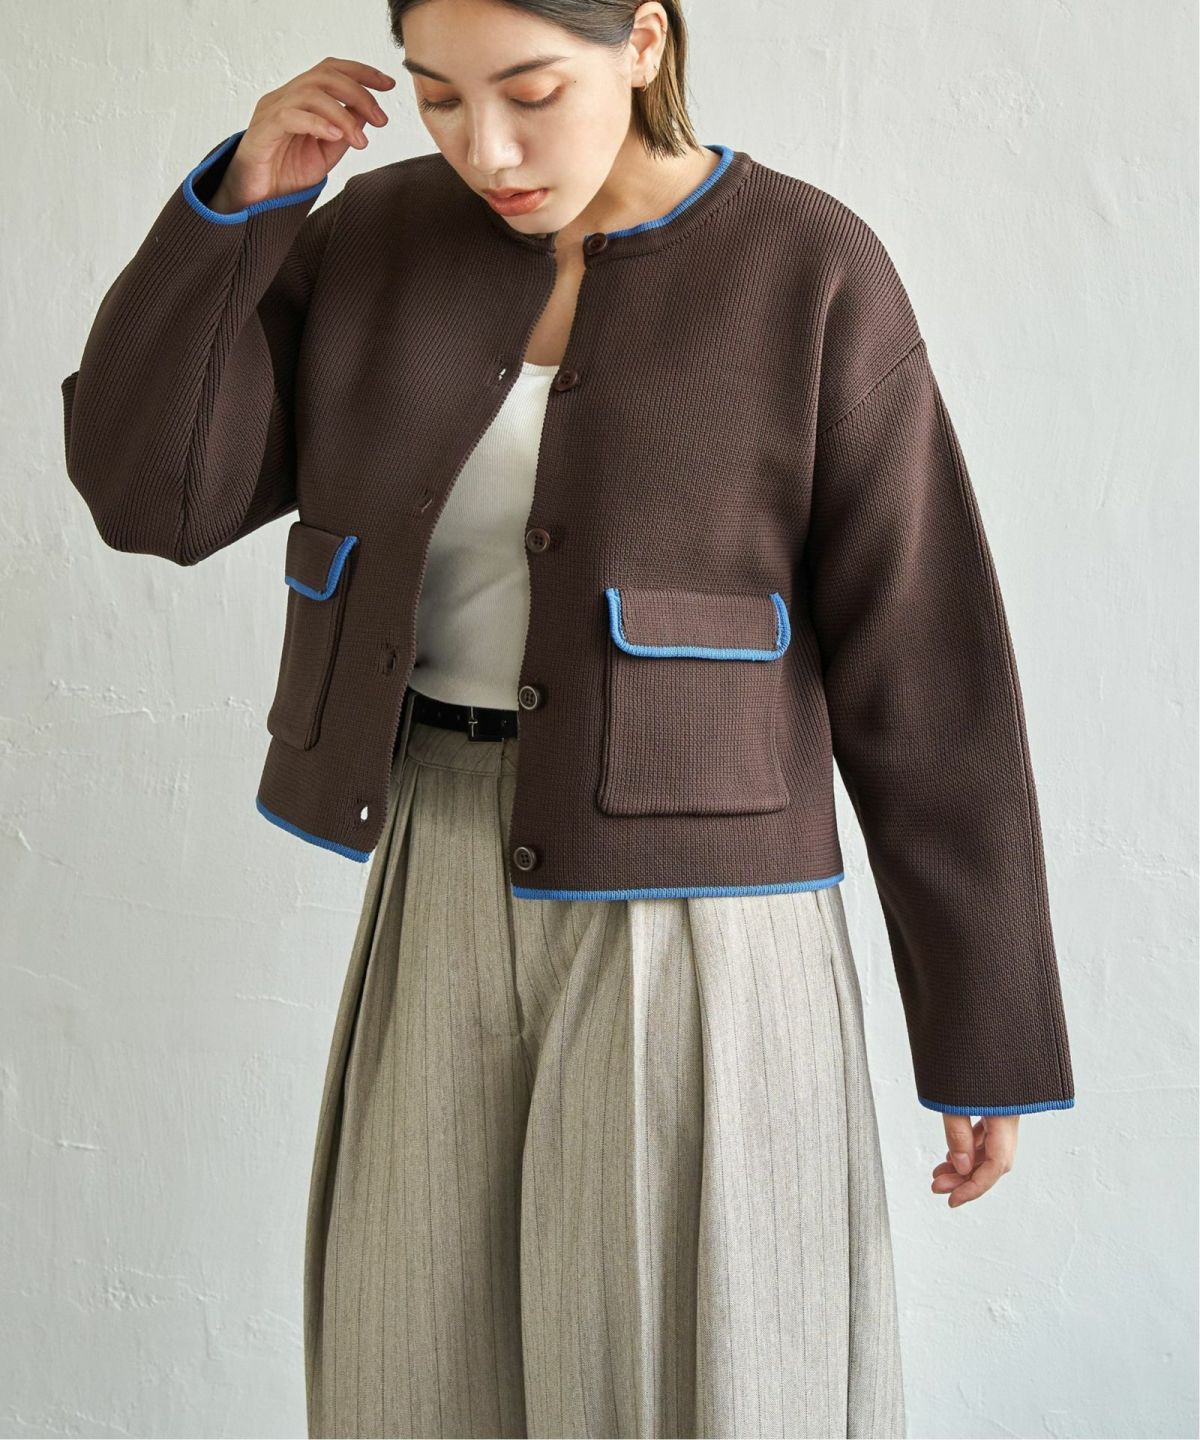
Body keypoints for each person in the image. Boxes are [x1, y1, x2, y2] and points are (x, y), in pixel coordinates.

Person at [59, 1, 1077, 1435]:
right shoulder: (373, 241)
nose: (488, 148)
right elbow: (149, 495)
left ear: (645, 44)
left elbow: (928, 665)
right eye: (439, 98)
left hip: (704, 919)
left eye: (531, 92)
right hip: (435, 865)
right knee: (413, 1375)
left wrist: (984, 1033)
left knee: (695, 1385)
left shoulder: (807, 267)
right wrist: (242, 207)